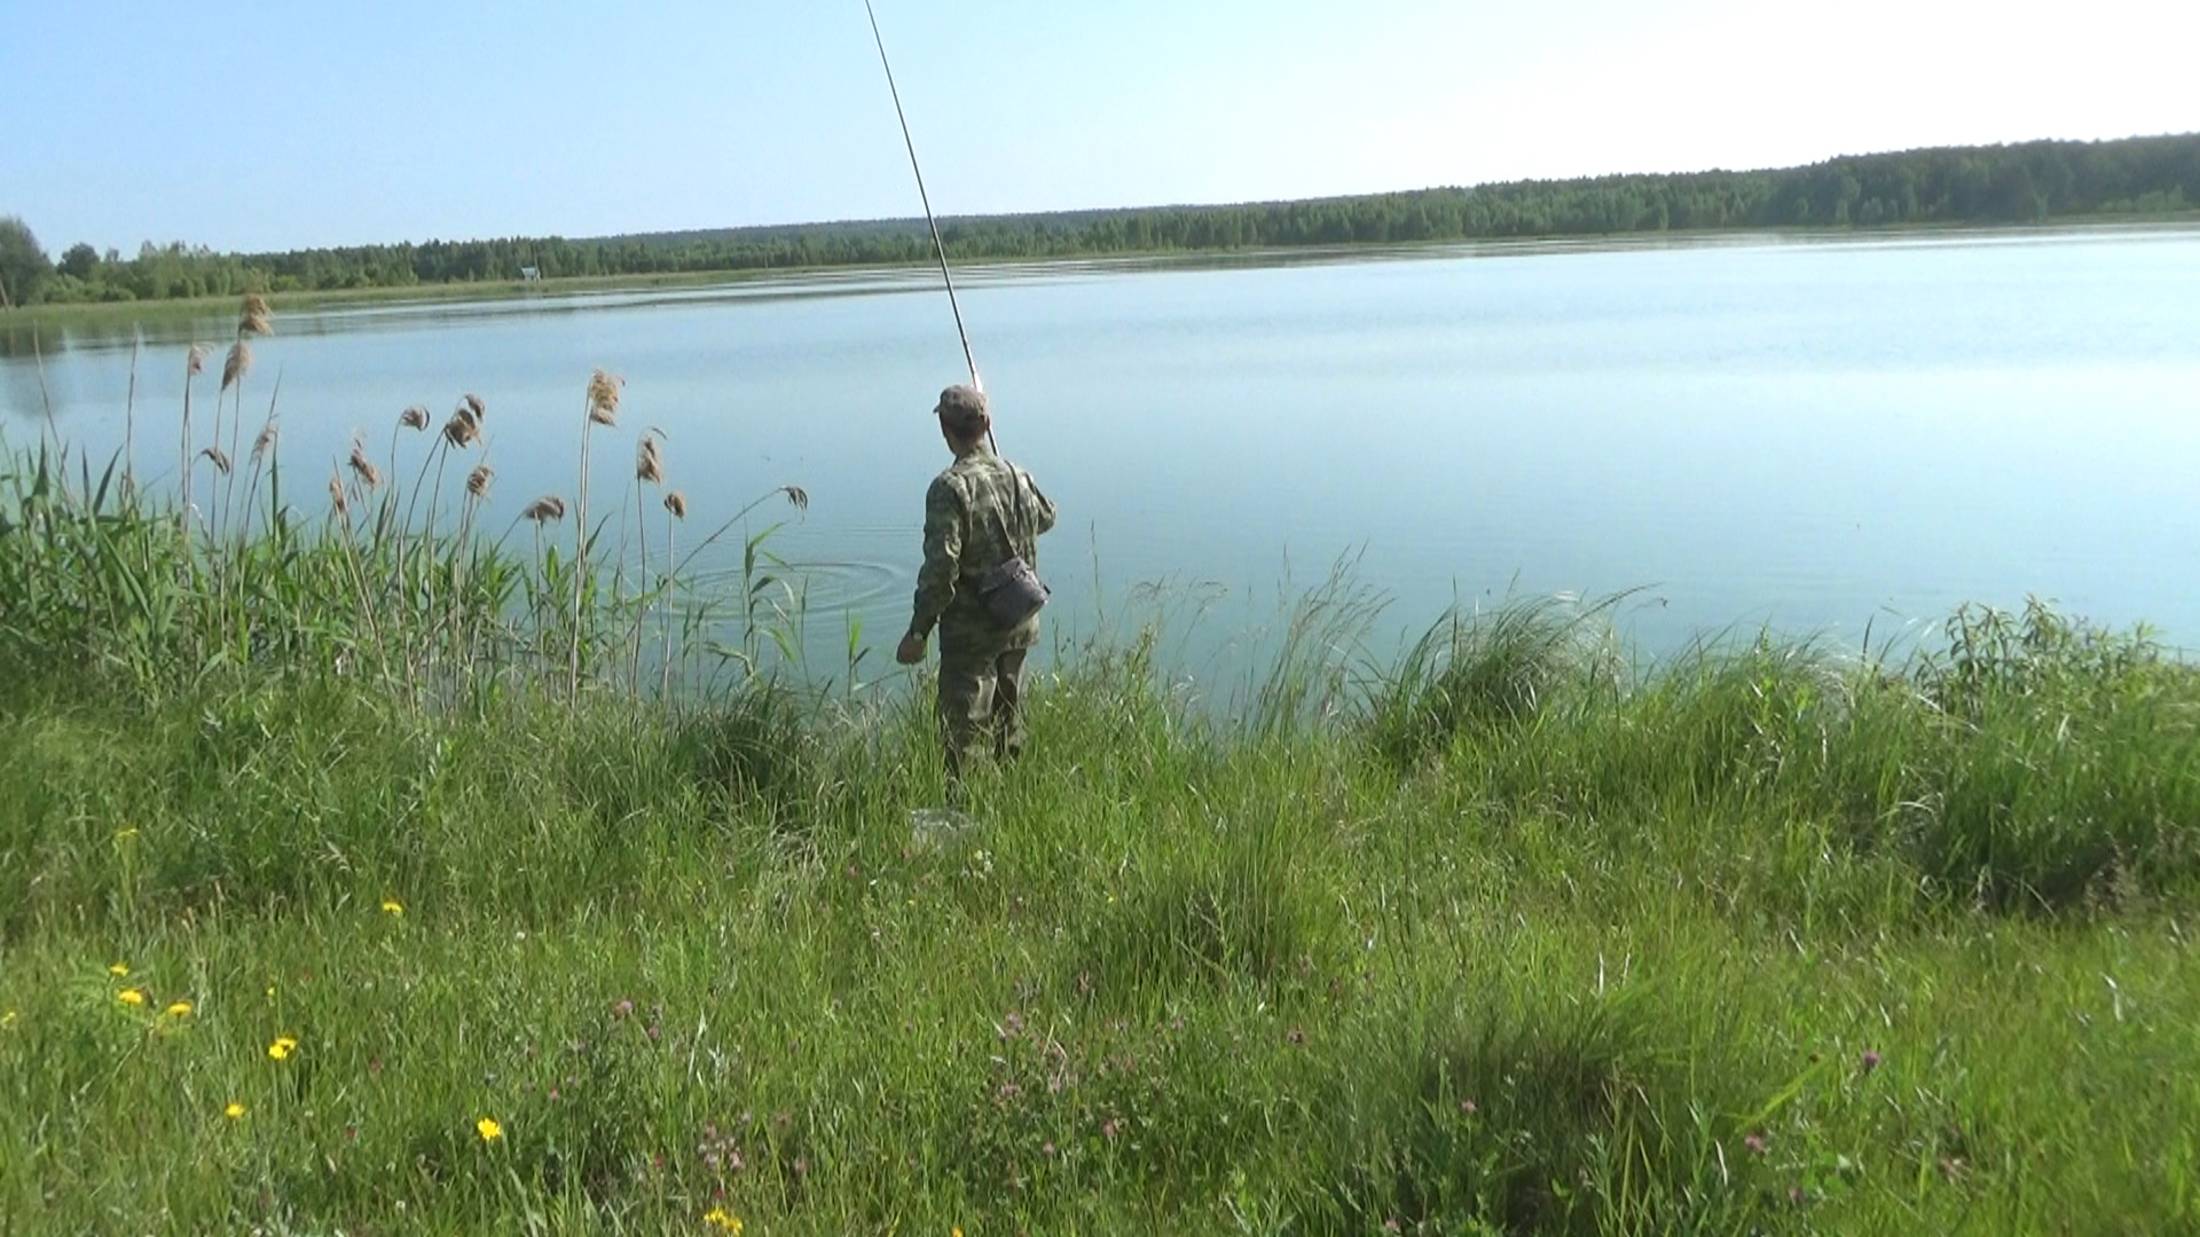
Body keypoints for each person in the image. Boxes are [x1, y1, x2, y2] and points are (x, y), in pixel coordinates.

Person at [897, 384, 1057, 790]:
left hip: (972, 636)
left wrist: (918, 632)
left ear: (945, 430)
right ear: (986, 425)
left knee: (963, 740)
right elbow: (1046, 517)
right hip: (1019, 621)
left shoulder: (949, 488)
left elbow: (941, 568)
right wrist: (1007, 482)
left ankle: (965, 812)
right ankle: (1010, 801)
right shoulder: (1018, 475)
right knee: (1009, 727)